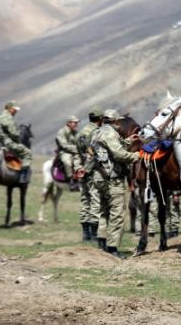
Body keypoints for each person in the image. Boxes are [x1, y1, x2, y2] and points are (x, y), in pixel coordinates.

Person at [91, 109, 140, 259]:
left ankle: (101, 241)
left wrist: (129, 141)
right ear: (116, 121)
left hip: (99, 177)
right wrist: (137, 155)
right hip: (112, 179)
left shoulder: (97, 132)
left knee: (104, 211)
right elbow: (119, 154)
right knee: (117, 214)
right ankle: (112, 248)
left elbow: (110, 148)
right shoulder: (111, 133)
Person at [76, 106, 103, 242]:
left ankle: (85, 233)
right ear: (100, 119)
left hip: (82, 170)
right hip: (94, 171)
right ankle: (93, 234)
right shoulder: (97, 132)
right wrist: (86, 169)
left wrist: (78, 168)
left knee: (85, 200)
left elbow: (77, 154)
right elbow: (95, 155)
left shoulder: (81, 132)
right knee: (95, 200)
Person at [0, 101, 32, 183]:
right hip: (7, 143)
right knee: (28, 153)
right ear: (9, 109)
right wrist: (18, 141)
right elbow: (14, 134)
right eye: (14, 109)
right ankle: (23, 176)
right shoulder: (8, 118)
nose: (16, 111)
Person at [55, 115, 80, 190]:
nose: (76, 124)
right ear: (69, 123)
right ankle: (71, 180)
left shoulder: (76, 132)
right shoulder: (61, 132)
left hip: (75, 152)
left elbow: (79, 142)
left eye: (77, 123)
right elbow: (64, 145)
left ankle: (79, 179)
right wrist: (76, 149)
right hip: (64, 152)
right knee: (67, 162)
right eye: (74, 122)